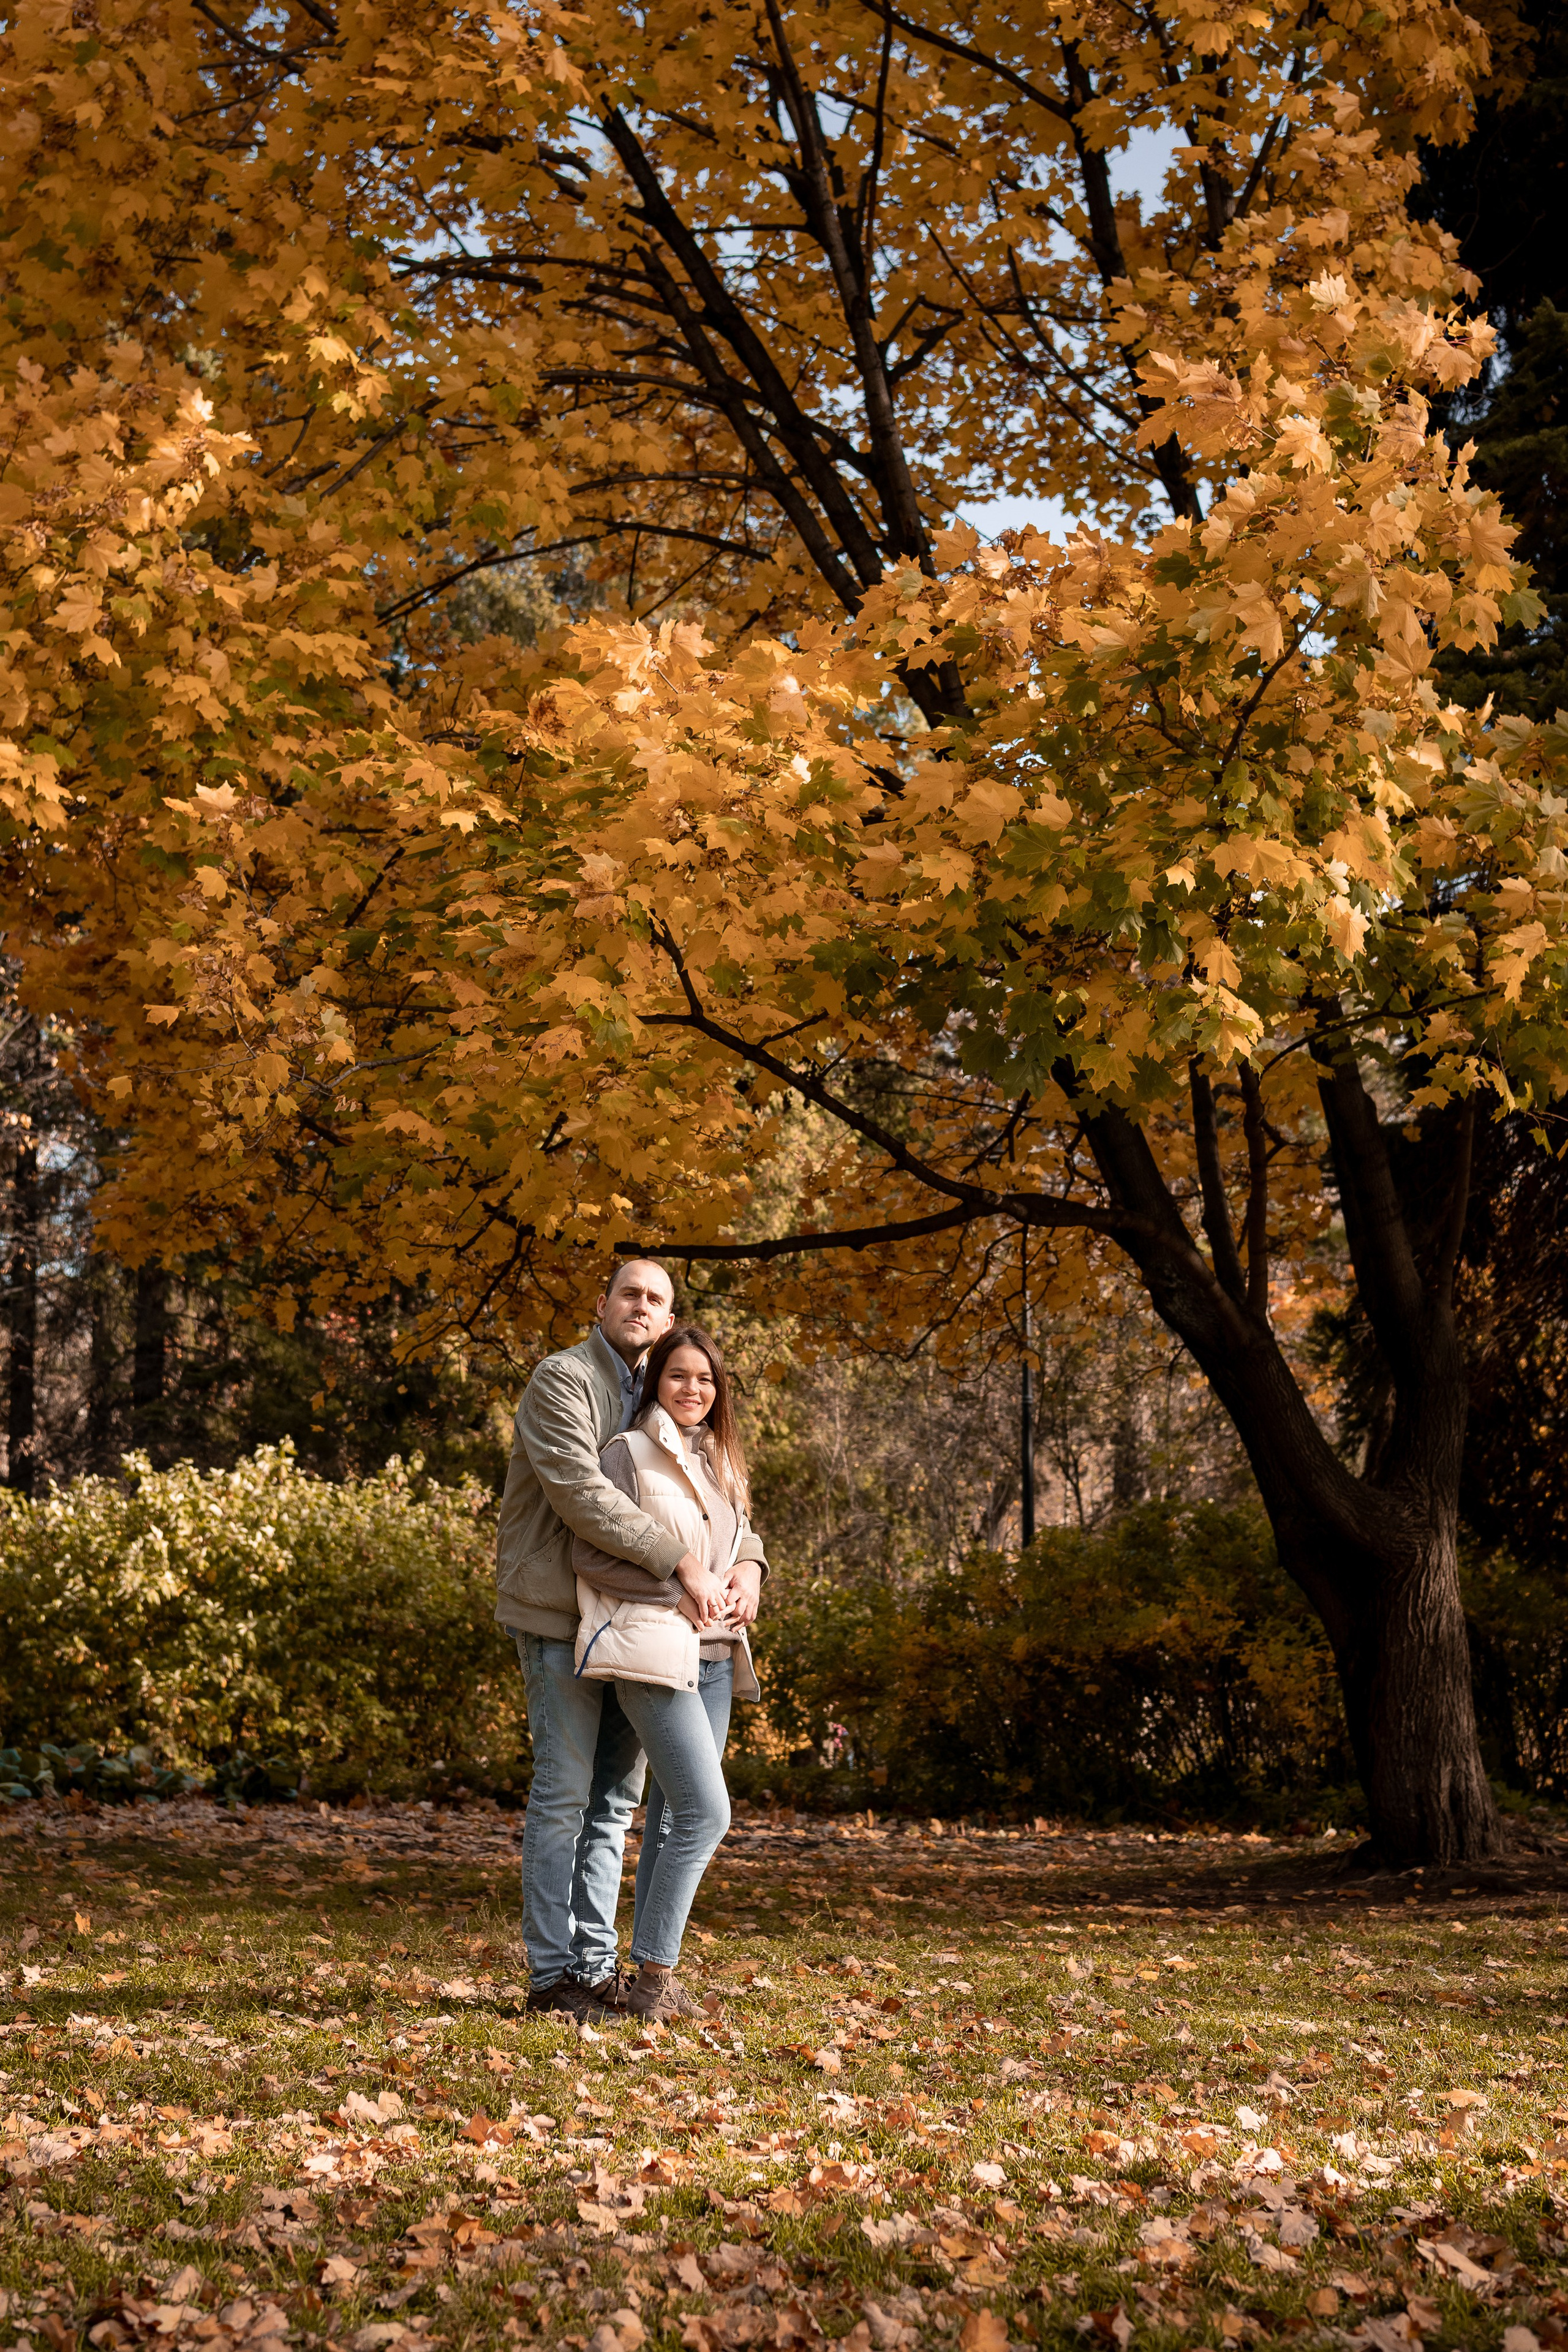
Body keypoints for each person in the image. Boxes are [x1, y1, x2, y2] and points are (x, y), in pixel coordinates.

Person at [496, 1259, 749, 2019]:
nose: (641, 1307)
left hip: (630, 1622)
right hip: (557, 1613)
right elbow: (582, 1494)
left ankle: (597, 1967)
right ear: (600, 1302)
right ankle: (553, 1979)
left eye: (656, 1299)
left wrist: (748, 1568)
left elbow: (716, 1507)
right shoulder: (563, 1379)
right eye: (629, 1293)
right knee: (565, 1794)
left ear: (670, 1319)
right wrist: (681, 1566)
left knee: (614, 1801)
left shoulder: (654, 1390)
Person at [570, 1322, 764, 2021]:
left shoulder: (719, 1458)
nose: (693, 1389)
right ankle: (653, 1980)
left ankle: (642, 1977)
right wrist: (678, 1590)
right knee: (708, 1814)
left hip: (716, 1658)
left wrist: (748, 1577)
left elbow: (744, 1542)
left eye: (706, 1379)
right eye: (679, 1376)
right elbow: (590, 1559)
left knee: (672, 1817)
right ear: (657, 1382)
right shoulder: (627, 1454)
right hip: (653, 1656)